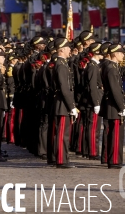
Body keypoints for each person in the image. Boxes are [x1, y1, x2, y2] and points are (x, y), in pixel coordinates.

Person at [100, 44, 125, 169]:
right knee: (116, 134)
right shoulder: (112, 68)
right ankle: (114, 161)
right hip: (114, 106)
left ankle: (114, 159)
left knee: (113, 133)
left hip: (111, 104)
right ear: (114, 54)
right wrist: (122, 107)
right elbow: (115, 90)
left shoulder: (112, 67)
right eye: (121, 53)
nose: (123, 55)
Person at [51, 38, 77, 169]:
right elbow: (64, 87)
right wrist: (71, 106)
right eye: (67, 48)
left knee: (65, 133)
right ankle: (61, 159)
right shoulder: (61, 65)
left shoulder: (63, 63)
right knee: (62, 134)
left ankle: (63, 158)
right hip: (62, 104)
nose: (69, 50)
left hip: (63, 103)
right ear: (61, 49)